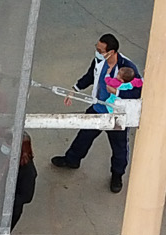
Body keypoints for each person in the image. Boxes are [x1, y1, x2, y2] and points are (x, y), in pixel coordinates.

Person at [51, 34, 142, 193]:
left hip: (116, 115)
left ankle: (117, 175)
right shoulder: (99, 62)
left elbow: (137, 91)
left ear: (111, 52)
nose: (97, 52)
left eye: (100, 50)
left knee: (119, 148)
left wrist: (117, 92)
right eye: (97, 48)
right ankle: (72, 160)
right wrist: (74, 89)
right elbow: (90, 77)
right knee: (83, 137)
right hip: (98, 108)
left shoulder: (128, 68)